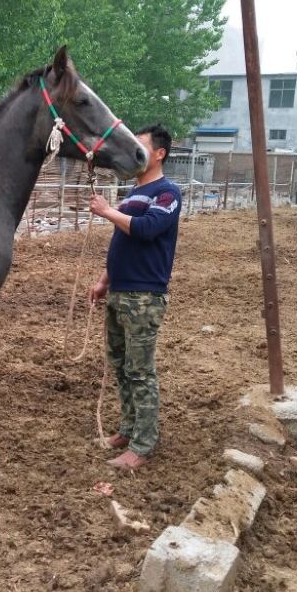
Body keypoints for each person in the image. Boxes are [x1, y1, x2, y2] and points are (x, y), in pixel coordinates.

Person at [89, 124, 182, 470]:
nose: (134, 152)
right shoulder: (132, 194)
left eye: (140, 146)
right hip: (120, 291)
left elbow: (145, 231)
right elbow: (121, 243)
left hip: (145, 296)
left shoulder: (167, 193)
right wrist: (103, 281)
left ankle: (143, 443)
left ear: (159, 154)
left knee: (140, 370)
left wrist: (107, 211)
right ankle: (127, 429)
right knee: (121, 366)